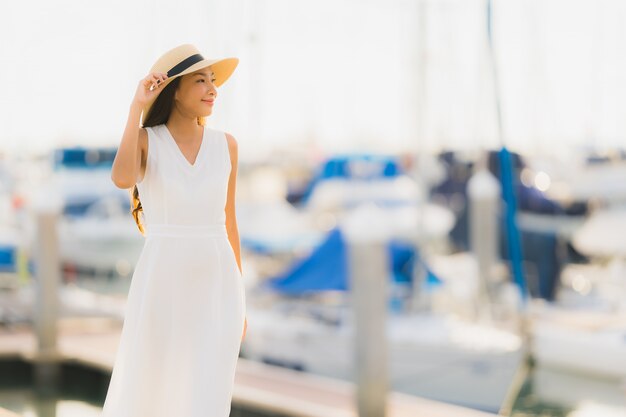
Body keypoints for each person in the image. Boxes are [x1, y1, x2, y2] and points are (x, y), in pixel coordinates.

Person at [104, 43, 247, 417]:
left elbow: (229, 220)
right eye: (201, 80)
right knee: (152, 390)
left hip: (218, 286)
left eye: (213, 80)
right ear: (174, 90)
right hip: (163, 284)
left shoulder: (227, 146)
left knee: (207, 395)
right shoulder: (148, 141)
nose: (212, 89)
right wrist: (137, 105)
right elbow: (122, 178)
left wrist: (241, 299)